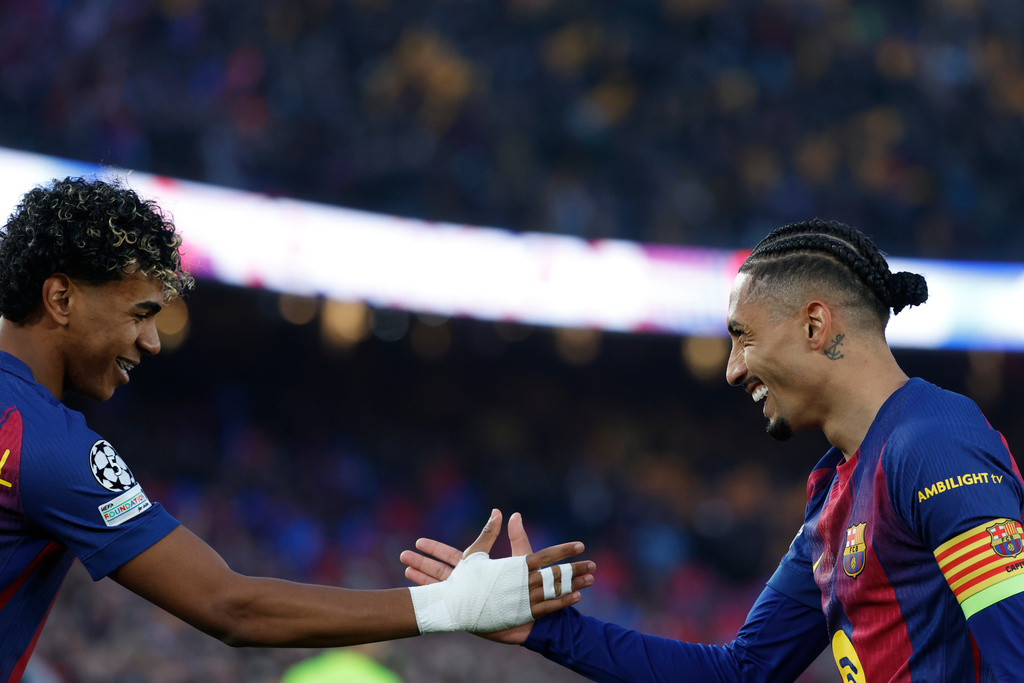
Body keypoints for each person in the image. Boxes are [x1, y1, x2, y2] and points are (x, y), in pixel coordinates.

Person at [0, 176, 596, 681]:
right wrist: (451, 603)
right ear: (60, 297)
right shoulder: (49, 445)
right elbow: (230, 606)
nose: (152, 342)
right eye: (140, 314)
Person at [402, 218, 1024, 681]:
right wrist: (543, 628)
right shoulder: (837, 492)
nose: (731, 370)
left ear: (815, 325)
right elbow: (742, 672)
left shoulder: (935, 445)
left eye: (742, 338)